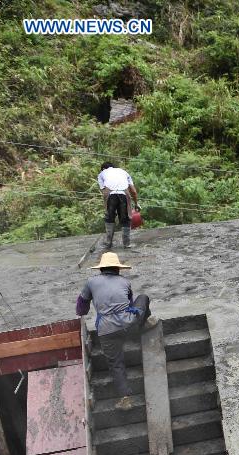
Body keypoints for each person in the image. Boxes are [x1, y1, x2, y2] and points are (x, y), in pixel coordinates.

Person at [76, 252, 155, 410]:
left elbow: (81, 306)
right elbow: (131, 306)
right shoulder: (125, 282)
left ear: (101, 269)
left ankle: (125, 398)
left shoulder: (91, 282)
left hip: (106, 332)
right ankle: (144, 325)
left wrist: (82, 313)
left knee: (116, 363)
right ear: (118, 269)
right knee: (144, 298)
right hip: (128, 327)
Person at [97, 162, 139, 249]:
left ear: (103, 169)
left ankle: (108, 243)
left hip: (110, 194)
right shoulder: (124, 172)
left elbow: (104, 191)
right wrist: (136, 204)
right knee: (126, 218)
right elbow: (133, 191)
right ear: (113, 167)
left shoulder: (102, 174)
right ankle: (127, 244)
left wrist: (107, 207)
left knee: (109, 218)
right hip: (124, 193)